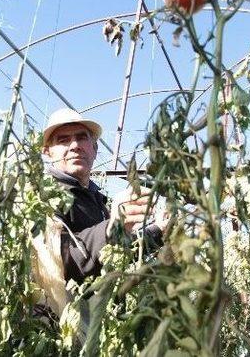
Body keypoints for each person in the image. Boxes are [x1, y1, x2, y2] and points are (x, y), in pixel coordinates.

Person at [41, 108, 167, 285]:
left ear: (94, 148)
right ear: (47, 152)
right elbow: (60, 262)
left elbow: (115, 253)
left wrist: (158, 231)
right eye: (63, 140)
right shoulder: (42, 197)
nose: (75, 145)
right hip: (57, 312)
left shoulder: (96, 199)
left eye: (82, 137)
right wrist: (110, 229)